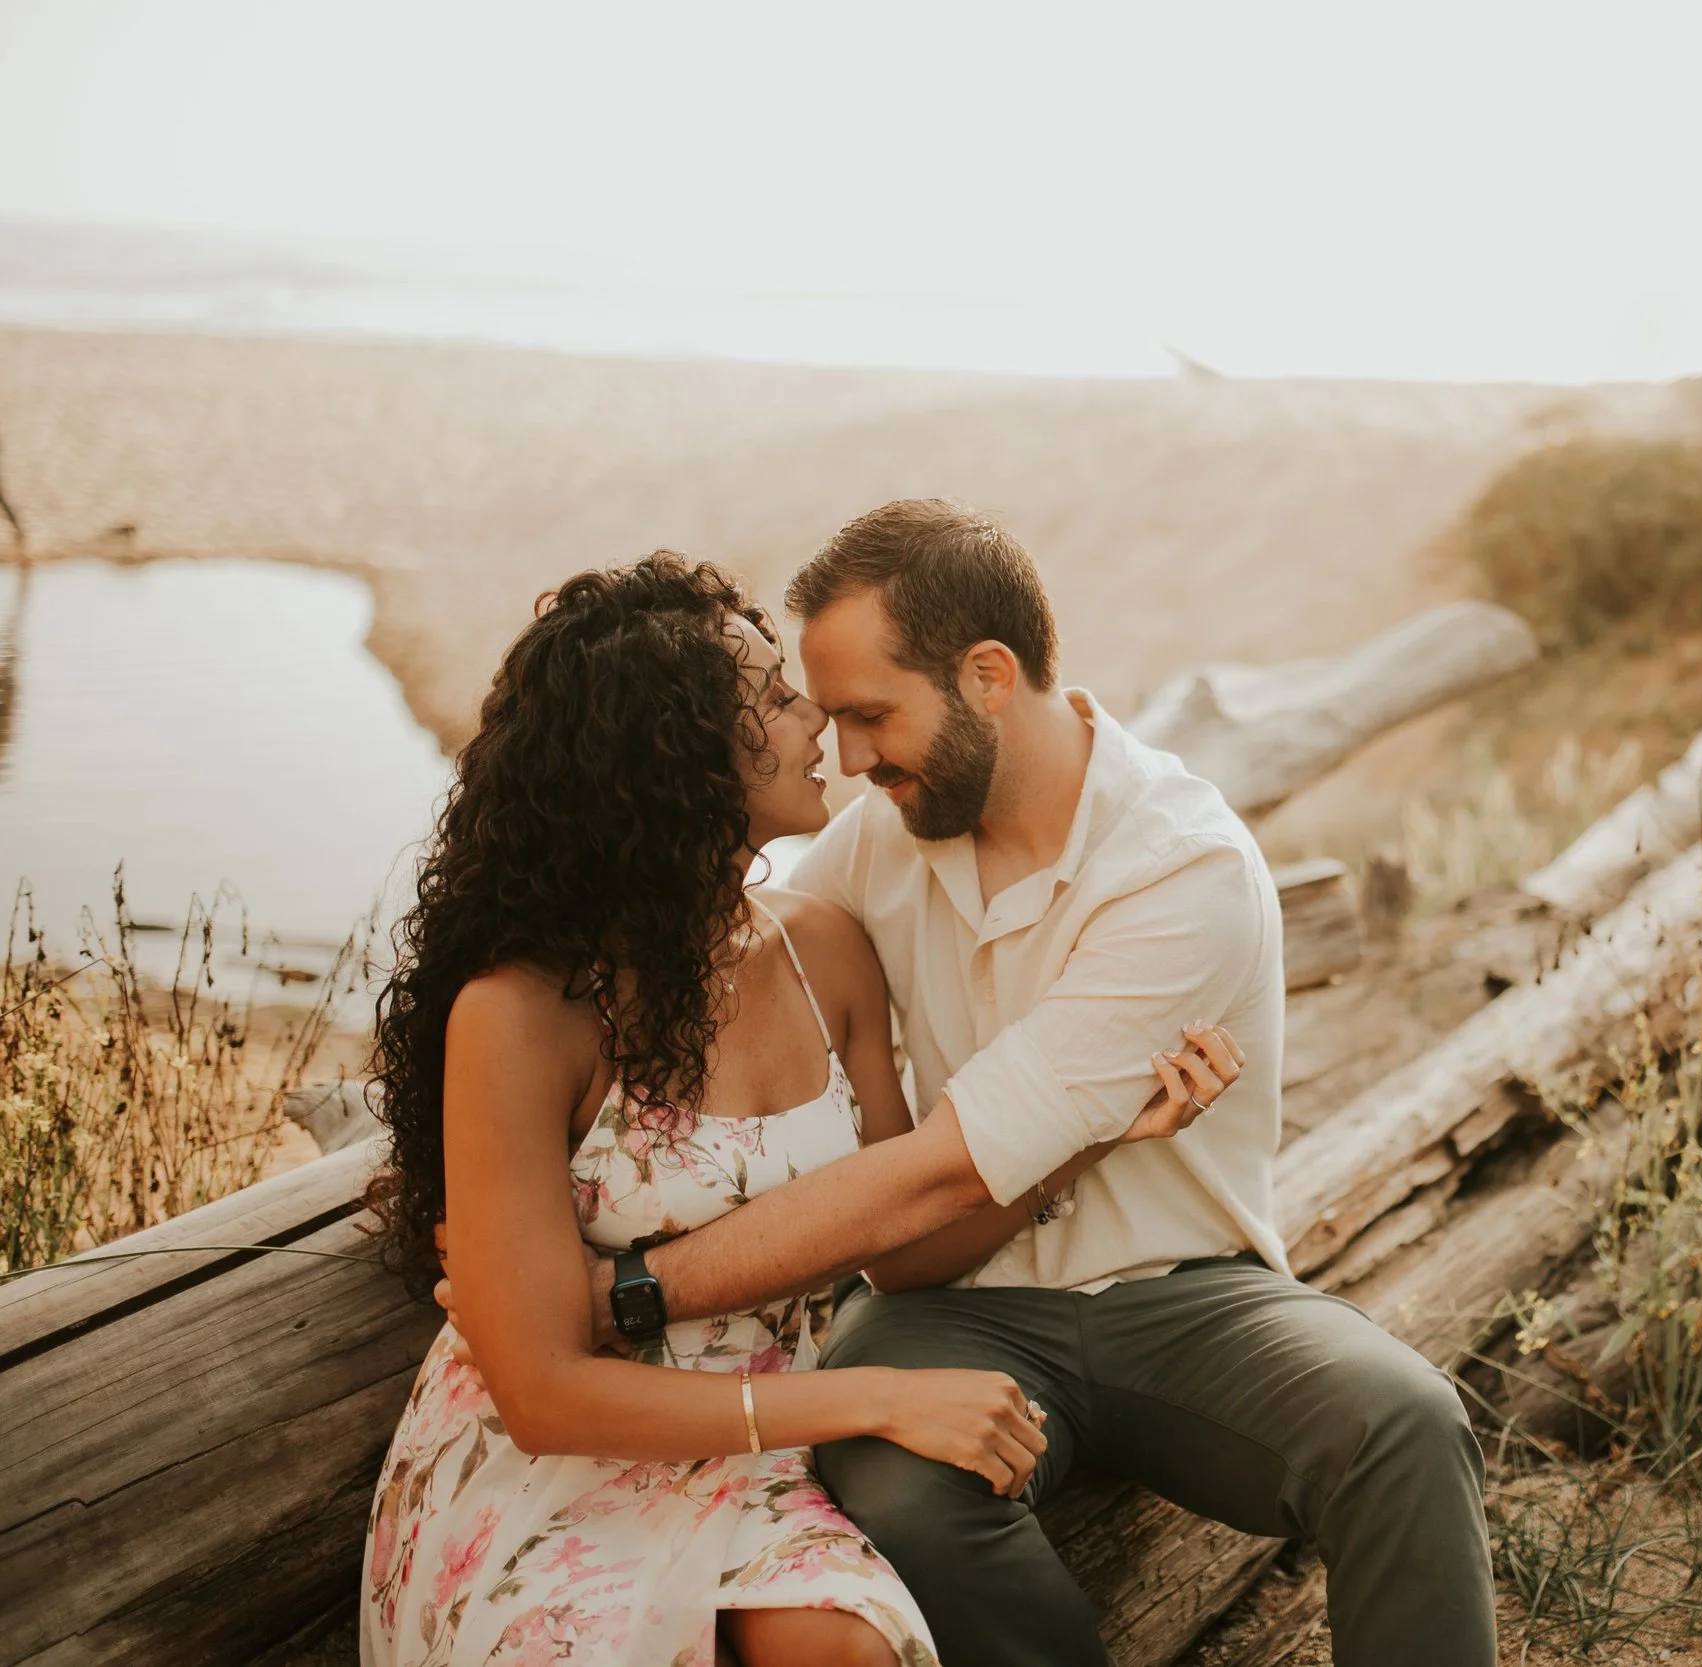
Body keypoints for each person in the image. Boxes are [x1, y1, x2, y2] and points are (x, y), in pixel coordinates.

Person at [460, 502, 1502, 1666]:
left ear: (988, 675)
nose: (851, 757)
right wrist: (504, 1180)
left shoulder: (1181, 869)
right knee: (906, 1494)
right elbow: (703, 960)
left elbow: (948, 1169)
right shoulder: (880, 839)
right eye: (831, 718)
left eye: (871, 714)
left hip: (1183, 1292)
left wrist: (622, 1292)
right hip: (938, 1307)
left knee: (1403, 1422)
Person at [360, 554, 1240, 1667]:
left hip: (771, 1454)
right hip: (562, 1467)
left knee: (849, 1648)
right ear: (674, 756)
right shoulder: (521, 1013)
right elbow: (542, 1395)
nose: (818, 720)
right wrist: (876, 1399)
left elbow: (902, 1250)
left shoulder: (824, 948)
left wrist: (1092, 1131)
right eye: (776, 698)